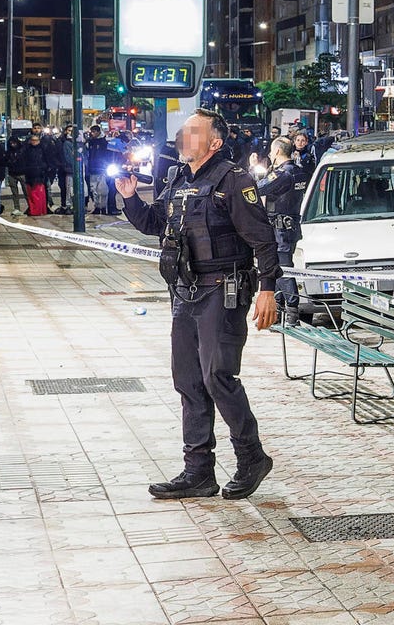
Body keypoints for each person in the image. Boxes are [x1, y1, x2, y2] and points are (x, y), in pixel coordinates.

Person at [116, 108, 280, 501]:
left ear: (215, 142)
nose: (183, 137)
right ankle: (198, 473)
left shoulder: (234, 180)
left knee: (217, 378)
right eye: (184, 130)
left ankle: (251, 457)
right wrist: (129, 198)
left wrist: (268, 289)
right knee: (188, 382)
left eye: (193, 131)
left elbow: (263, 240)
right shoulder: (175, 178)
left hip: (222, 290)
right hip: (185, 292)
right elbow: (157, 224)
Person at [257, 137, 307, 326]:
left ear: (277, 151)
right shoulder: (299, 172)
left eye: (271, 151)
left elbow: (259, 189)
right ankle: (277, 310)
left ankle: (292, 313)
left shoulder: (283, 174)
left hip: (280, 229)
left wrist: (256, 171)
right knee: (276, 267)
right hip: (289, 226)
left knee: (283, 270)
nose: (270, 154)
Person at [17, 134, 50, 216]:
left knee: (39, 195)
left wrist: (44, 168)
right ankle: (34, 210)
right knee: (32, 195)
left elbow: (47, 160)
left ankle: (39, 210)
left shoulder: (42, 149)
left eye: (36, 140)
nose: (34, 142)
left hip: (40, 175)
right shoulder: (27, 150)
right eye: (33, 140)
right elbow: (23, 160)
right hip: (30, 175)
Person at [85, 126, 111, 214]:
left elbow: (107, 155)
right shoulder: (90, 142)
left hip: (101, 169)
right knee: (94, 189)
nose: (92, 134)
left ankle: (103, 207)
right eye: (92, 132)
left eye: (94, 132)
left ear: (98, 132)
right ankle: (97, 206)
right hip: (93, 169)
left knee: (103, 190)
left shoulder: (104, 142)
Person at [5, 135, 27, 216]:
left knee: (26, 192)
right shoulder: (9, 152)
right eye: (11, 143)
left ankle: (30, 207)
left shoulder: (22, 150)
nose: (12, 145)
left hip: (21, 173)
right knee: (14, 193)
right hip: (12, 174)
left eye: (14, 143)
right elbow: (6, 161)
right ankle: (17, 208)